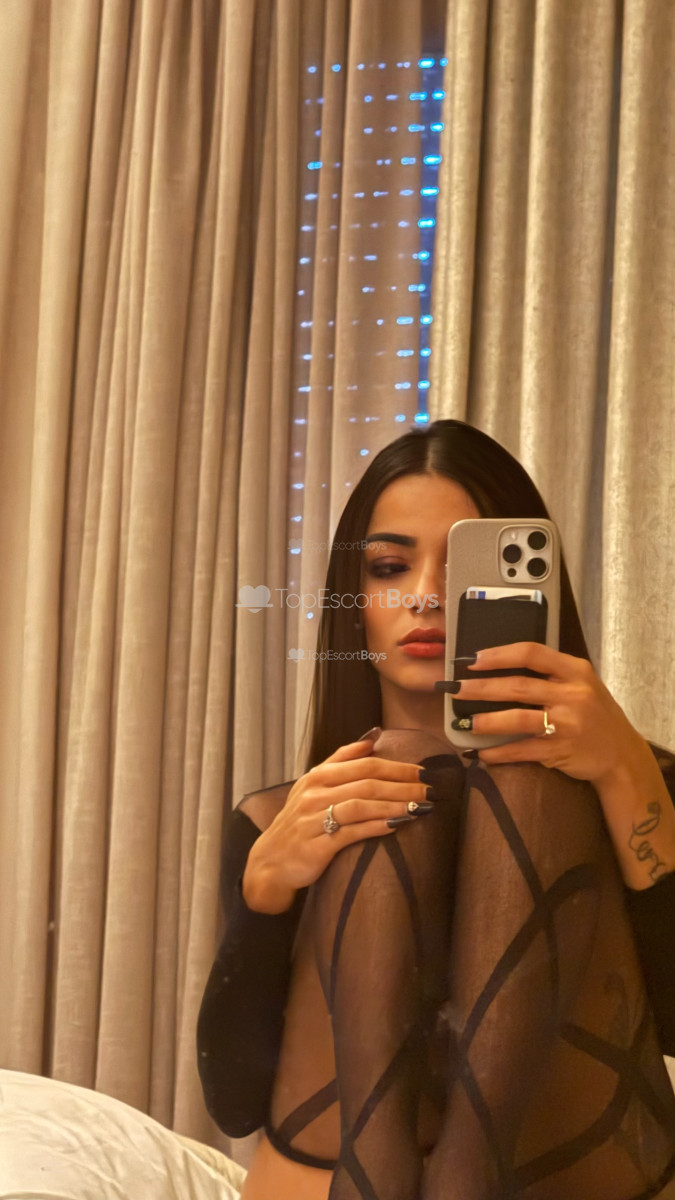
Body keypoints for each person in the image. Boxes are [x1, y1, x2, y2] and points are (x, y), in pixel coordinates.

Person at [197, 420, 675, 1200]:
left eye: (464, 570)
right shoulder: (284, 818)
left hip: (570, 1175)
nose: (424, 595)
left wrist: (626, 774)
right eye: (389, 567)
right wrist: (264, 895)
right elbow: (234, 1100)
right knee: (388, 781)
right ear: (353, 602)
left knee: (530, 788)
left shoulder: (639, 784)